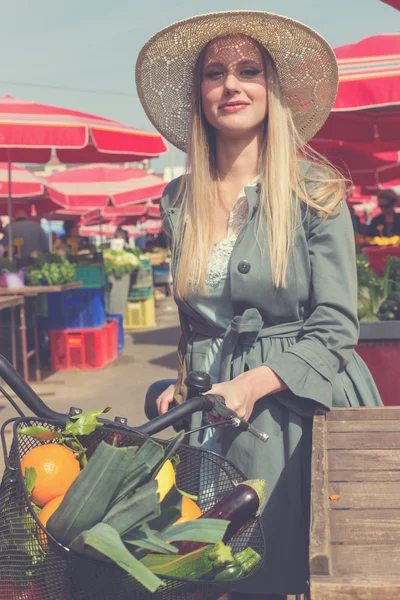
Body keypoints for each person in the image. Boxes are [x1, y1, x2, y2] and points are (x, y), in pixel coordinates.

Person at [137, 11, 382, 599]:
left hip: (300, 404)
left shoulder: (314, 192)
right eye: (215, 73)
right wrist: (178, 386)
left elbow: (335, 327)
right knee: (212, 567)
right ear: (199, 94)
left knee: (293, 568)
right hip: (209, 412)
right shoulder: (177, 199)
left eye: (249, 71)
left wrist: (250, 385)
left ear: (272, 89)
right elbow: (196, 323)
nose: (231, 85)